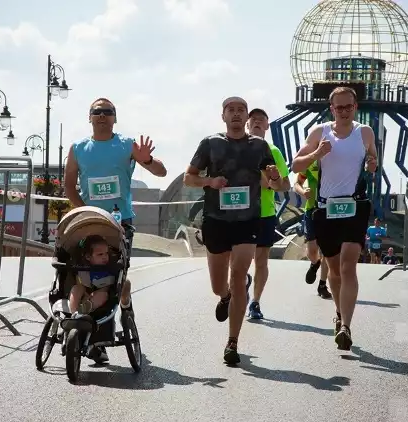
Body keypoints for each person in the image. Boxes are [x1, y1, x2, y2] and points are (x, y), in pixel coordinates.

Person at [64, 97, 167, 363]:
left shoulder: (126, 145)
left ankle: (124, 306)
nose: (102, 116)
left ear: (114, 118)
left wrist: (147, 160)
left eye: (107, 112)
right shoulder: (78, 148)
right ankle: (92, 339)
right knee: (85, 276)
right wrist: (85, 211)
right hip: (89, 223)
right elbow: (68, 187)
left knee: (114, 277)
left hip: (121, 223)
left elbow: (161, 172)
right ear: (89, 117)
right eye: (97, 112)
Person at [183, 96, 283, 364]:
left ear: (248, 117)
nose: (236, 114)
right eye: (231, 110)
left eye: (241, 110)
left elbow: (280, 187)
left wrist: (273, 177)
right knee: (219, 286)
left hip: (248, 221)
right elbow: (188, 178)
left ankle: (232, 342)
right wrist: (210, 181)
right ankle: (225, 297)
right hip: (216, 220)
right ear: (223, 116)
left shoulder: (260, 146)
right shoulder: (210, 143)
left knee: (238, 276)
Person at [291, 86, 378, 351]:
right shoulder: (319, 132)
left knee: (349, 265)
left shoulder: (365, 132)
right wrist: (317, 154)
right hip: (326, 209)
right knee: (335, 270)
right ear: (331, 109)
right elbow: (295, 165)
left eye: (348, 107)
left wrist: (372, 164)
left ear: (355, 107)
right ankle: (339, 313)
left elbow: (372, 159)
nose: (343, 112)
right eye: (338, 107)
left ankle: (346, 327)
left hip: (355, 206)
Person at [245, 107, 291, 320]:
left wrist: (272, 180)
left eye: (260, 120)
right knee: (237, 260)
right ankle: (241, 280)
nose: (256, 122)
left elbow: (285, 185)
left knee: (261, 260)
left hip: (264, 213)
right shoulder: (236, 148)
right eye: (252, 119)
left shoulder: (274, 151)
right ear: (247, 124)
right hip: (238, 214)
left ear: (266, 125)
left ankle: (255, 302)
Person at [293, 171, 332, 299]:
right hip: (312, 210)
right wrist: (303, 192)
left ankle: (322, 285)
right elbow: (297, 184)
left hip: (330, 210)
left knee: (326, 251)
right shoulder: (311, 161)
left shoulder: (335, 160)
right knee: (311, 252)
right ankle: (315, 263)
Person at [68, 235, 114, 319]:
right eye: (100, 254)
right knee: (76, 288)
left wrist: (91, 298)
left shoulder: (108, 269)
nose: (105, 257)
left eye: (106, 253)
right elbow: (80, 283)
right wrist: (85, 295)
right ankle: (74, 314)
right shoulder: (82, 268)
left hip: (98, 295)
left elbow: (106, 287)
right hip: (84, 294)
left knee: (103, 295)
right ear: (88, 257)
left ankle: (86, 308)